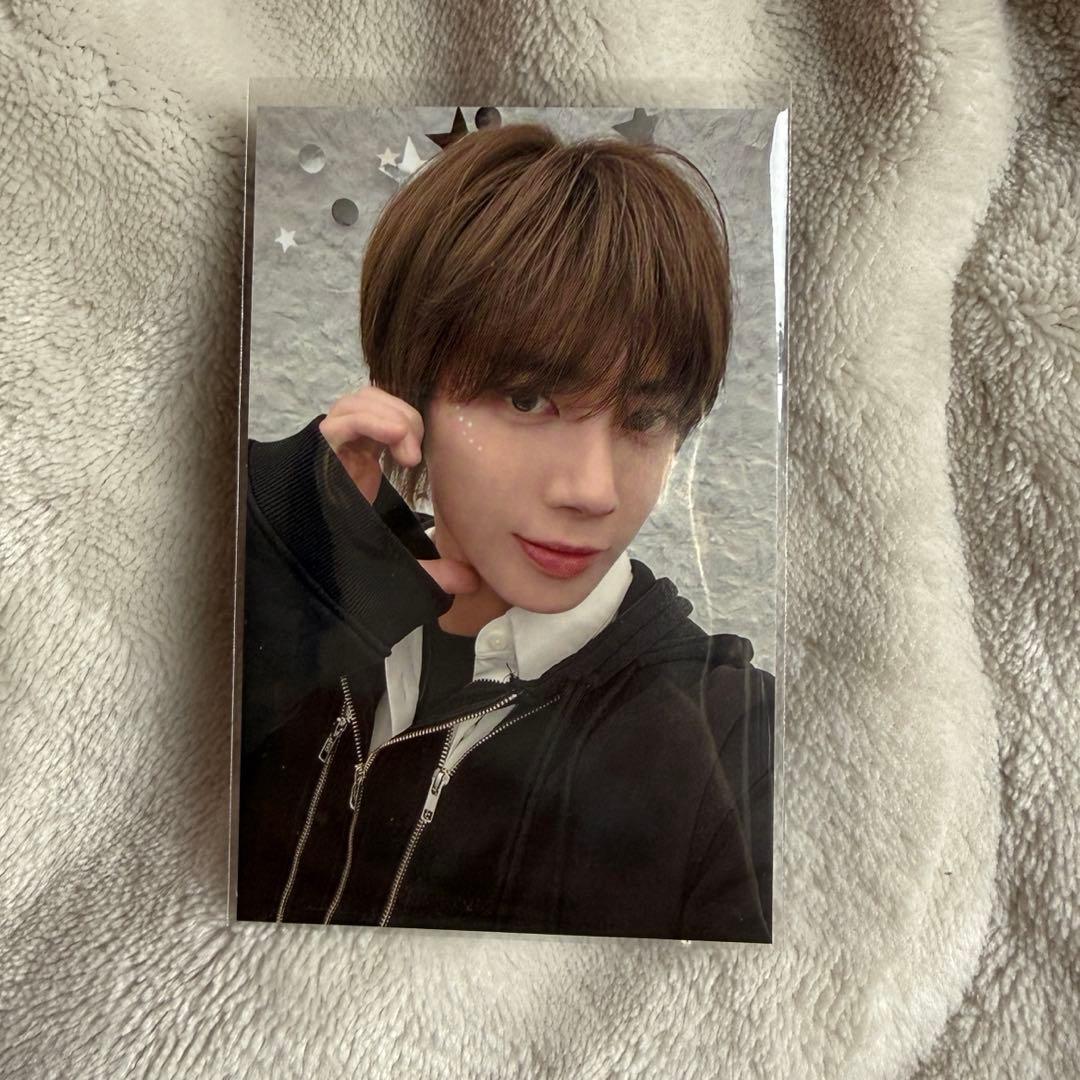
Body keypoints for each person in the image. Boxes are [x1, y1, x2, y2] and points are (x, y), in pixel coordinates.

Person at [234, 120, 775, 942]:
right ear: (408, 395)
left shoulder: (734, 743)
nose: (593, 491)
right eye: (528, 400)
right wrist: (274, 575)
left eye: (644, 419)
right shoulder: (284, 621)